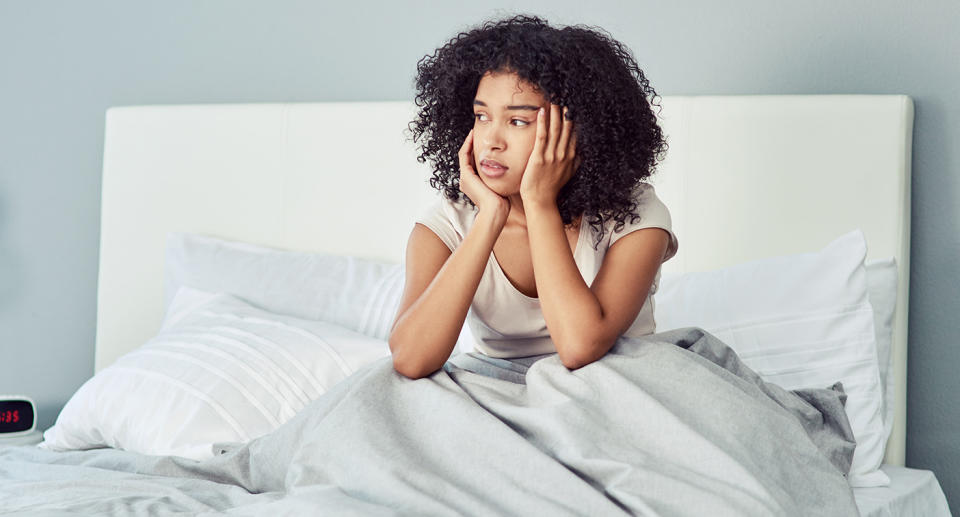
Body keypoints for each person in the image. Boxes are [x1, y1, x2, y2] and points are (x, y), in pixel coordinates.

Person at [389, 14, 679, 380]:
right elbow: (411, 360)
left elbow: (579, 347)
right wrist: (489, 217)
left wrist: (540, 204)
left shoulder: (635, 215)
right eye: (481, 116)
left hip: (617, 384)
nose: (491, 140)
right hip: (496, 391)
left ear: (578, 129)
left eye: (518, 121)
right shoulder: (445, 226)